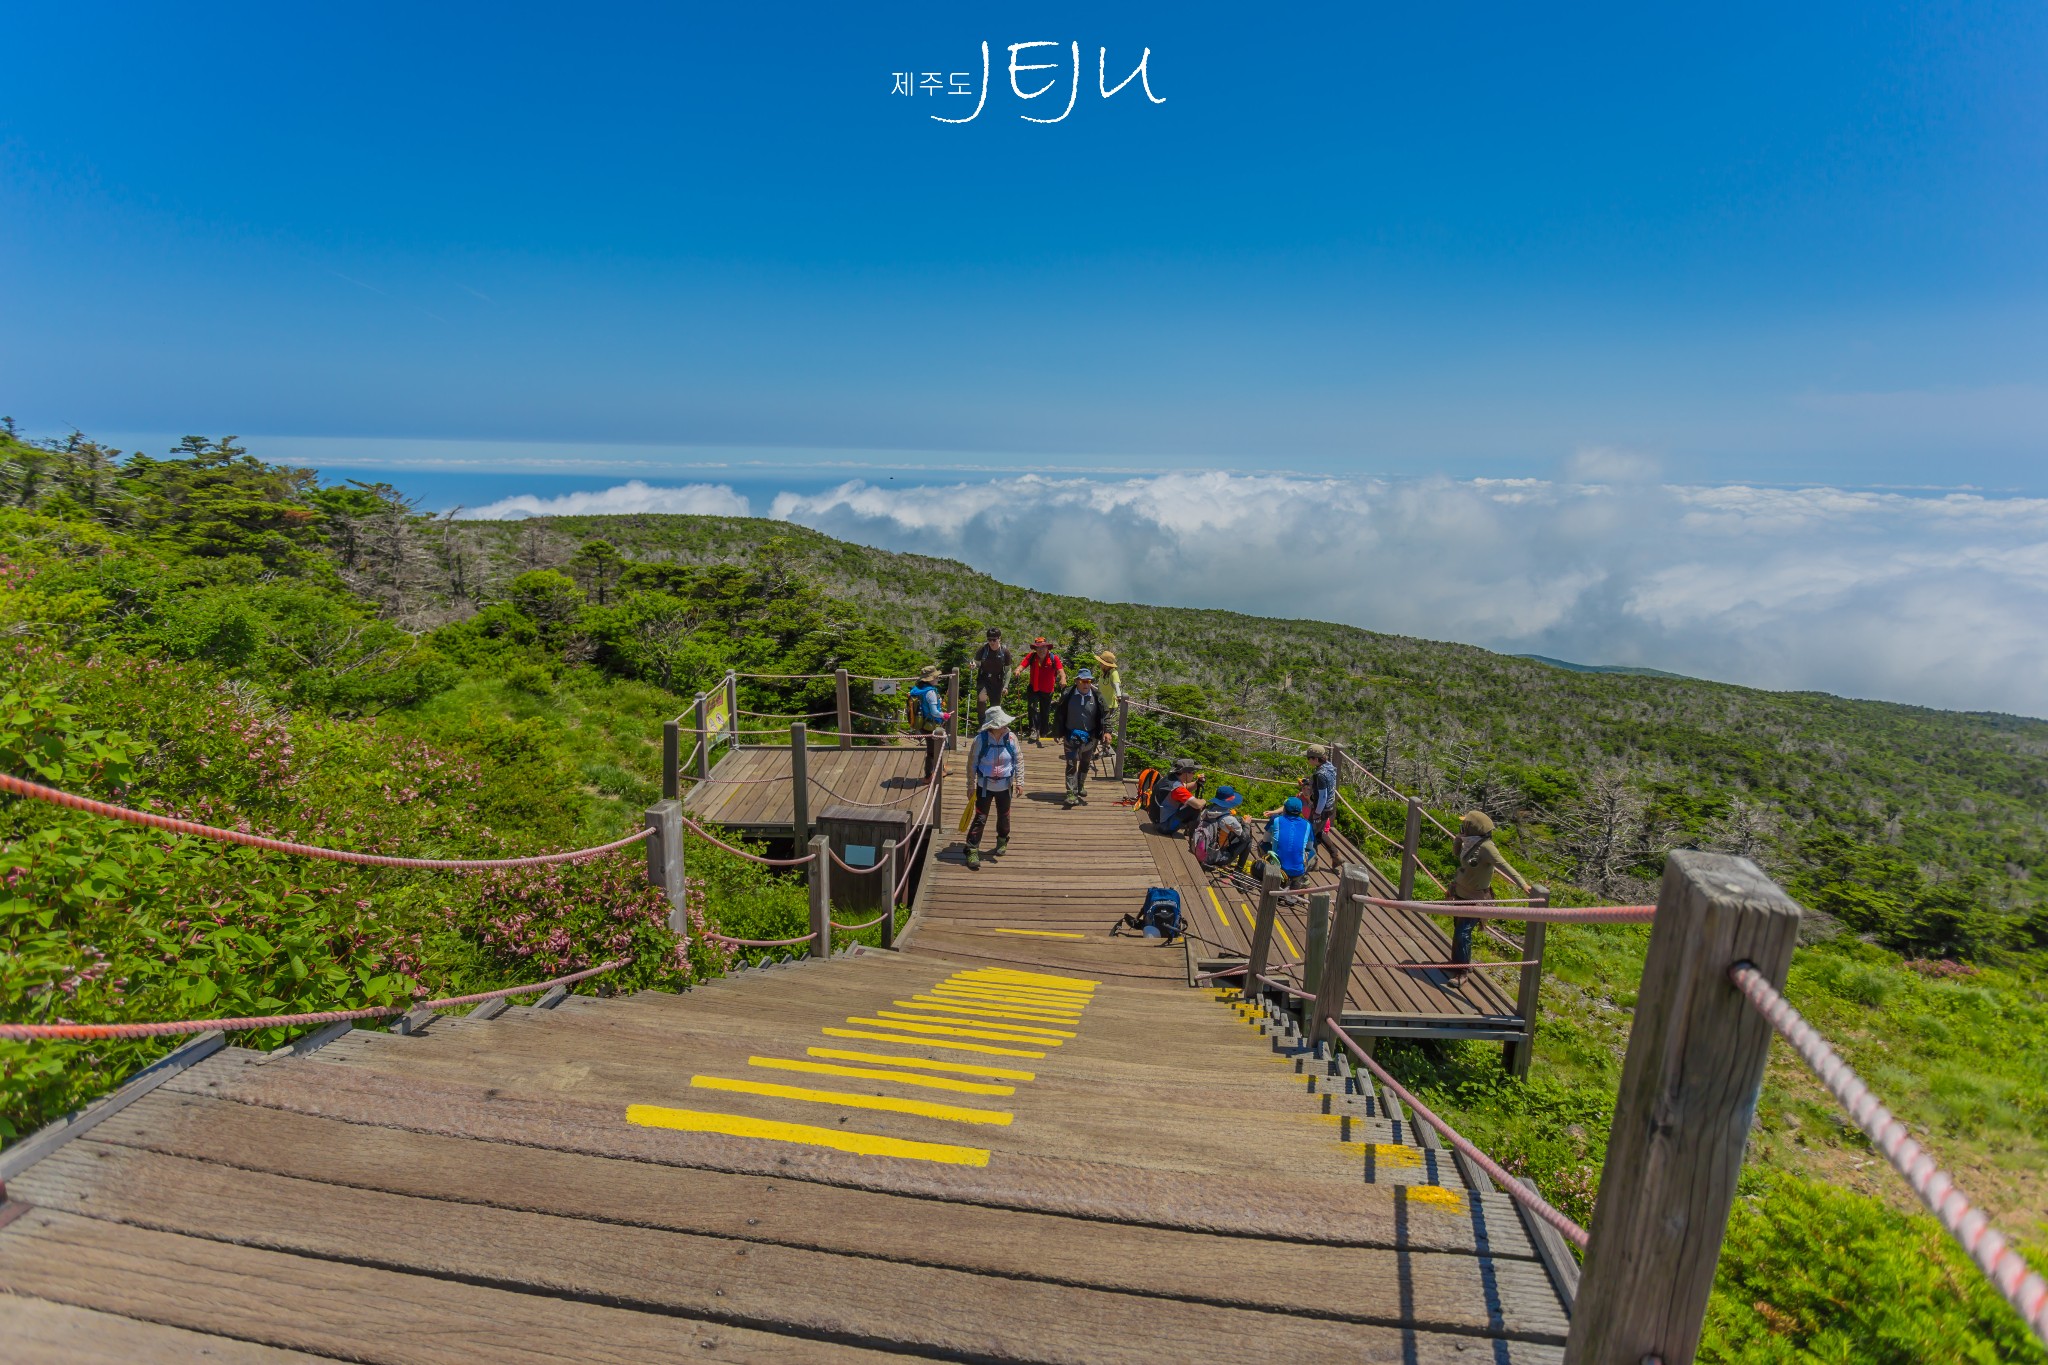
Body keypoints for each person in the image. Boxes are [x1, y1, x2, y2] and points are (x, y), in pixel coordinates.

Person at [1446, 810, 1533, 975]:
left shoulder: (1486, 847)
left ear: (1472, 828)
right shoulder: (1470, 842)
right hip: (1461, 893)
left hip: (1475, 897)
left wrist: (1523, 885)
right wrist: (1458, 839)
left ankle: (1462, 972)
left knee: (1462, 933)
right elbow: (1456, 854)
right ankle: (1456, 963)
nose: (1462, 826)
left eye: (1465, 825)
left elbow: (1504, 865)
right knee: (1459, 928)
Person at [962, 706, 1023, 870]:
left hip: (1005, 785)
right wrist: (970, 785)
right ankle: (972, 849)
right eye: (1002, 723)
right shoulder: (980, 740)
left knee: (1004, 816)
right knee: (980, 818)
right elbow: (972, 764)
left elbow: (1018, 760)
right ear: (993, 725)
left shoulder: (1011, 738)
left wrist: (1020, 782)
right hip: (984, 786)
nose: (1005, 726)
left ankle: (1002, 840)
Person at [1052, 667, 1109, 806]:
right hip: (1071, 736)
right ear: (1077, 681)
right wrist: (1057, 731)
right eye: (1083, 681)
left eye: (1089, 681)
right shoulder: (1068, 694)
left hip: (1090, 737)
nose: (1086, 684)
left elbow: (1105, 715)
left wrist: (1107, 732)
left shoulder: (1097, 696)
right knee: (1071, 764)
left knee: (1085, 763)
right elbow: (1059, 713)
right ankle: (1071, 793)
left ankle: (1080, 785)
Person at [1014, 636, 1065, 745]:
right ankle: (1033, 731)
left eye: (1043, 647)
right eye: (1039, 648)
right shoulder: (1032, 657)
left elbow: (1061, 670)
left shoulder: (1053, 658)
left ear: (1047, 648)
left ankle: (1043, 733)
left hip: (1047, 690)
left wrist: (1063, 678)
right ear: (1035, 649)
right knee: (1032, 708)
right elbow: (1022, 665)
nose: (1041, 650)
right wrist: (1018, 670)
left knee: (1045, 712)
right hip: (1034, 687)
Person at [905, 665, 949, 782]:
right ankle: (928, 776)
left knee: (934, 748)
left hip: (921, 722)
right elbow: (934, 712)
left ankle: (941, 768)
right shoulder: (930, 693)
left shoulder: (917, 689)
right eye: (936, 677)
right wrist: (944, 715)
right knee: (932, 750)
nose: (938, 679)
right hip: (930, 724)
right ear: (930, 679)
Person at [1260, 796, 1315, 888]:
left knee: (1261, 844)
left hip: (1278, 868)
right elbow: (1309, 847)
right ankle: (1301, 877)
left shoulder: (1275, 819)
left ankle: (1269, 869)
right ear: (1300, 811)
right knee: (1313, 851)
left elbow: (1265, 840)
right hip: (1297, 871)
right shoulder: (1307, 824)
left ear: (1284, 809)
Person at [971, 628, 1013, 725]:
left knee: (995, 706)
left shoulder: (1005, 652)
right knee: (981, 700)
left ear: (999, 639)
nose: (992, 642)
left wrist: (1005, 686)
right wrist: (973, 665)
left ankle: (995, 726)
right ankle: (982, 724)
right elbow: (976, 663)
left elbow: (1008, 670)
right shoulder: (983, 649)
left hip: (997, 681)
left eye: (994, 640)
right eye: (989, 640)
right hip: (983, 679)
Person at [1303, 745, 1339, 849]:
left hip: (1322, 808)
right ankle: (1335, 855)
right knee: (1318, 831)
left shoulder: (1320, 775)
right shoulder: (1329, 767)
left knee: (1311, 833)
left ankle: (1312, 859)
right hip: (1330, 806)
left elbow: (1323, 796)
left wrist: (1317, 813)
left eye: (1308, 758)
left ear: (1315, 759)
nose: (1308, 760)